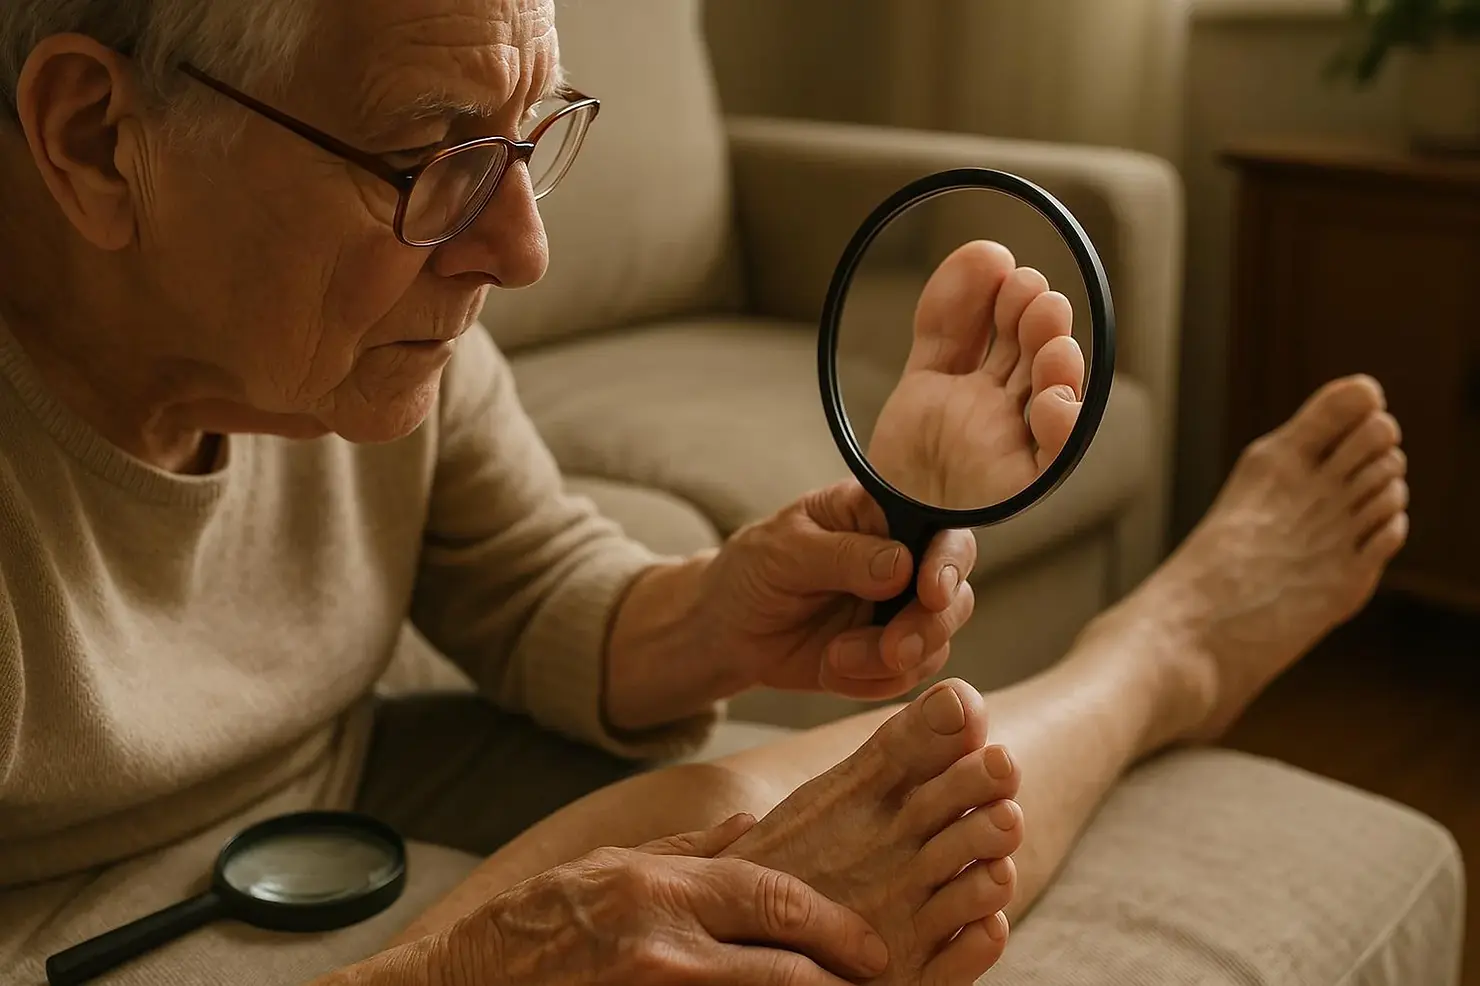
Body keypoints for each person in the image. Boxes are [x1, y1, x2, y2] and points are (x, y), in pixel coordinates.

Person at [0, 0, 1411, 983]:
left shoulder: (369, 337)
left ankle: (1156, 652)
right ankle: (1162, 655)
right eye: (435, 157)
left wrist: (720, 609)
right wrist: (475, 966)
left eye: (530, 136)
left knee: (798, 835)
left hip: (332, 795)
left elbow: (531, 582)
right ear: (91, 138)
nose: (524, 247)